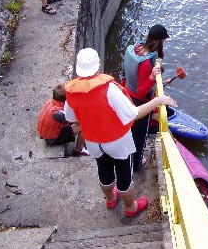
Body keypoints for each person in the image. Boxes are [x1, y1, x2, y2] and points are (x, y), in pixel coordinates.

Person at [64, 48, 177, 218]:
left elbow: (71, 117)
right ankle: (130, 207)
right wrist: (158, 101)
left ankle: (110, 199)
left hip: (94, 142)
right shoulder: (109, 89)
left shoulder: (71, 92)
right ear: (98, 65)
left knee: (104, 170)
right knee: (124, 175)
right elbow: (134, 114)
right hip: (117, 141)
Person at [122, 24, 169, 172]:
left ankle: (128, 156)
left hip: (127, 95)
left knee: (130, 132)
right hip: (139, 103)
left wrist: (158, 81)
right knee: (140, 136)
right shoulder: (145, 64)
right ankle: (136, 163)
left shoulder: (136, 48)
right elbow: (142, 91)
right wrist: (152, 76)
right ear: (158, 42)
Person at [37, 83, 88, 156]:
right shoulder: (59, 113)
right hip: (52, 139)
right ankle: (78, 150)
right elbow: (78, 122)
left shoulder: (50, 102)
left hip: (47, 132)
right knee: (84, 126)